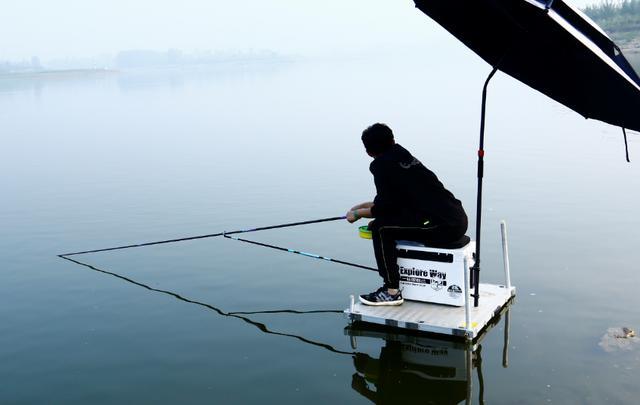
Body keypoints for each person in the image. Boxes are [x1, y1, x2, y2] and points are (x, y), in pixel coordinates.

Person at [347, 123, 468, 306]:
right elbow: (394, 202)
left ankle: (391, 291)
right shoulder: (401, 155)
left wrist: (357, 214)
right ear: (393, 140)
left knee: (381, 229)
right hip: (455, 219)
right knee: (380, 223)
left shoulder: (381, 165)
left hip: (441, 227)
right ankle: (393, 284)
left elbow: (384, 208)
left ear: (368, 152)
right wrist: (361, 208)